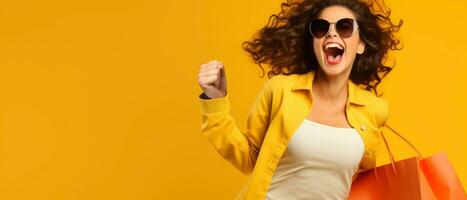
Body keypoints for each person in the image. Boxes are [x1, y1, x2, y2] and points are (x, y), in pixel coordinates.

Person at [197, 0, 402, 199]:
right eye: (321, 28)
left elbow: (362, 182)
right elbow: (248, 158)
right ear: (314, 43)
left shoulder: (374, 110)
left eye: (345, 27)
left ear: (361, 45)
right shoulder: (281, 90)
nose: (332, 33)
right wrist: (215, 102)